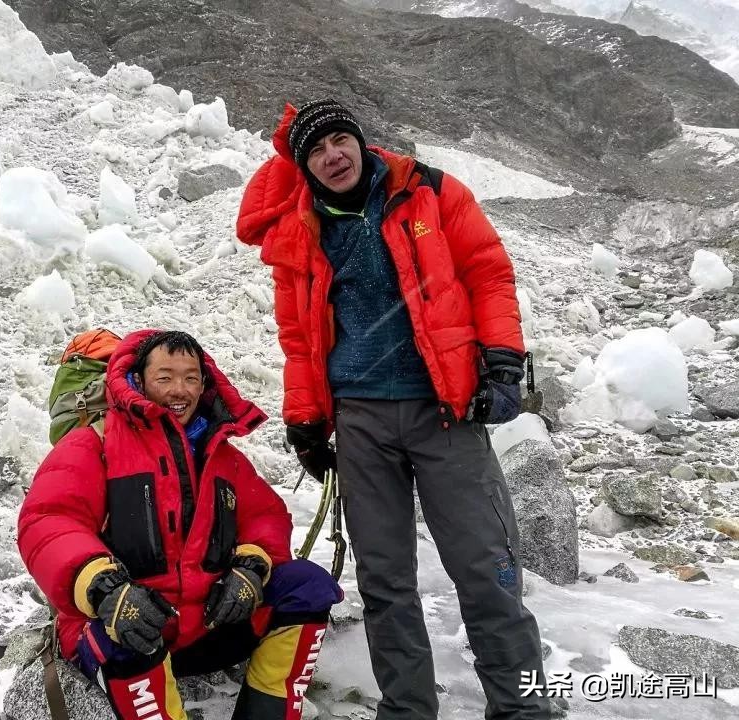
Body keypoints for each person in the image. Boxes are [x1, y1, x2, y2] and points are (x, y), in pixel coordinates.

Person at [235, 100, 550, 720]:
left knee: (487, 570)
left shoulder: (428, 192)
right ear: (305, 166)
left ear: (358, 140)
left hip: (445, 412)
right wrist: (305, 420)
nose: (332, 155)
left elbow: (488, 273)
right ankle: (407, 710)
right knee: (384, 584)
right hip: (360, 423)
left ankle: (523, 708)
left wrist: (505, 362)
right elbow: (300, 336)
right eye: (316, 150)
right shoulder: (301, 232)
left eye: (339, 140)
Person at [18, 329, 343, 720]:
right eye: (165, 377)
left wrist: (251, 566)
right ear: (137, 380)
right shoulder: (94, 445)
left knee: (308, 586)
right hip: (127, 626)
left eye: (191, 378)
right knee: (127, 634)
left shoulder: (222, 454)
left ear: (204, 383)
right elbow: (48, 520)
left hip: (205, 624)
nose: (180, 390)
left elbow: (265, 516)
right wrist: (105, 589)